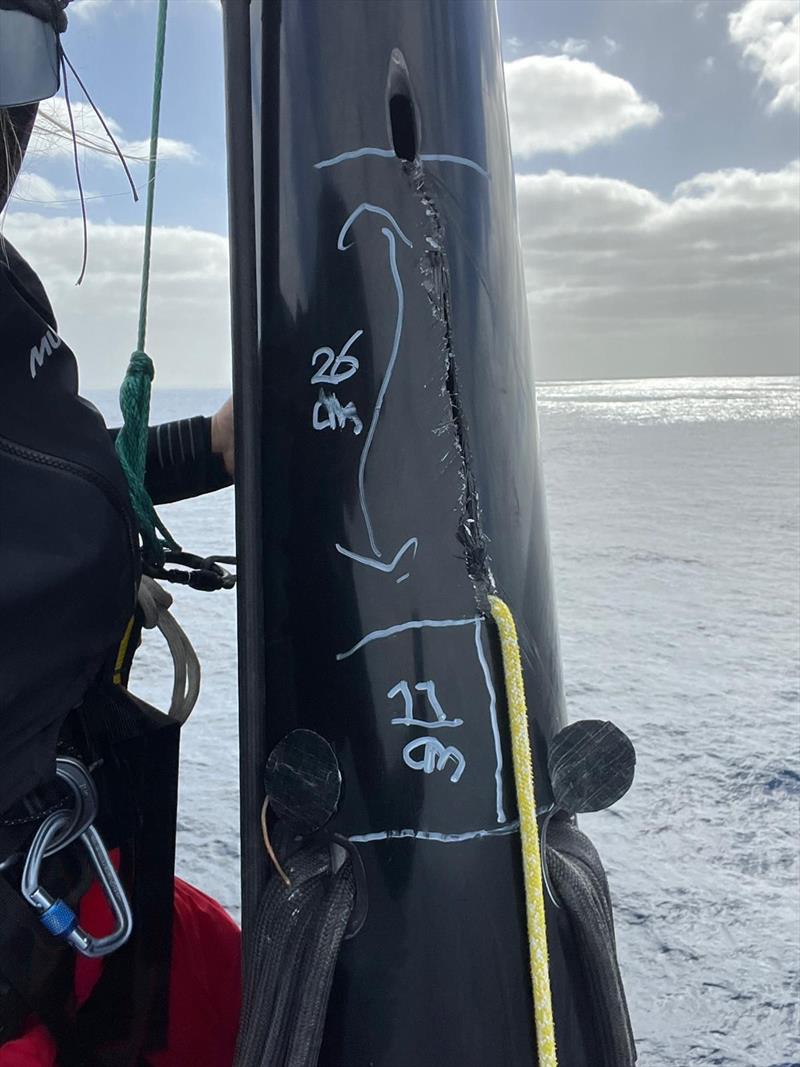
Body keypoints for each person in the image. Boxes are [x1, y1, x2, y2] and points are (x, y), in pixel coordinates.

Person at [1, 2, 241, 1063]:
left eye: (14, 48)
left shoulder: (7, 300)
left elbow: (71, 478)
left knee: (236, 973)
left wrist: (211, 450)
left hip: (56, 906)